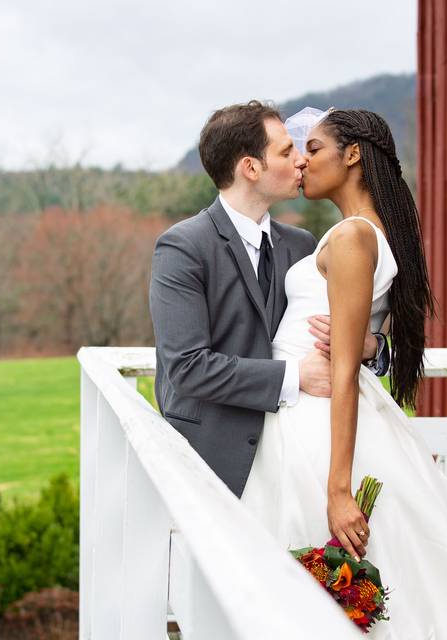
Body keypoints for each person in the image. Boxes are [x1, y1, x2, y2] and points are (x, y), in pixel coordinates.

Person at [239, 107, 447, 638]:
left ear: (352, 154)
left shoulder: (355, 237)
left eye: (313, 149)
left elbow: (341, 371)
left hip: (315, 424)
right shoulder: (357, 234)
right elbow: (355, 345)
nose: (303, 162)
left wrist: (338, 489)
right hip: (298, 407)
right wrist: (370, 342)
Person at [148, 100, 385, 498]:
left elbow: (341, 327)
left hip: (294, 458)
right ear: (251, 168)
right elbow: (187, 367)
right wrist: (295, 376)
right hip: (210, 460)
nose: (301, 162)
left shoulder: (302, 245)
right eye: (286, 151)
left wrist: (372, 346)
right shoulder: (183, 247)